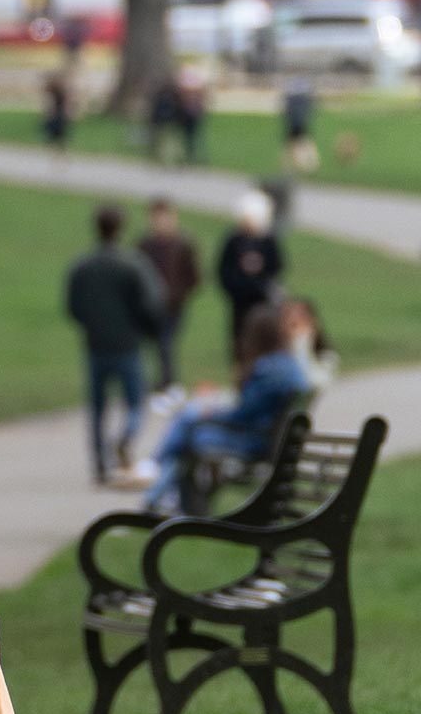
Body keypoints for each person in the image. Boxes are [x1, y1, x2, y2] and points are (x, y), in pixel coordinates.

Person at [142, 306, 312, 517]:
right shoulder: (287, 365)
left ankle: (157, 484)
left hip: (254, 441)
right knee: (190, 423)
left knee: (190, 426)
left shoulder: (269, 368)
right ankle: (161, 493)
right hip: (265, 437)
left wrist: (211, 414)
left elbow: (242, 414)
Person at [65, 204, 163, 484]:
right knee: (135, 403)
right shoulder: (133, 264)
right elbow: (150, 304)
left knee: (98, 408)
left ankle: (99, 464)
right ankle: (125, 438)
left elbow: (73, 306)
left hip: (95, 345)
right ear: (120, 228)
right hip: (128, 345)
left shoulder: (83, 267)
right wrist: (148, 331)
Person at [135, 197, 199, 400]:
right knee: (147, 345)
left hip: (173, 306)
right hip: (148, 305)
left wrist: (179, 295)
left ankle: (167, 383)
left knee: (166, 344)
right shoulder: (144, 245)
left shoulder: (183, 244)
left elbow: (193, 276)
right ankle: (147, 383)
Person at [218, 189, 284, 363]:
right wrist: (236, 288)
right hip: (240, 302)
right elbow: (224, 271)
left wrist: (262, 287)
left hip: (262, 301)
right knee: (240, 338)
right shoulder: (234, 242)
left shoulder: (267, 242)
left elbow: (276, 268)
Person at [280, 296, 339, 393]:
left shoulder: (327, 359)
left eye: (301, 318)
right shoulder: (275, 360)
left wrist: (301, 341)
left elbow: (309, 379)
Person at [40, 70, 72, 151]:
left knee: (57, 131)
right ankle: (57, 148)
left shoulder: (58, 90)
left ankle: (57, 149)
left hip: (58, 113)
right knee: (57, 132)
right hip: (58, 113)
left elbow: (53, 103)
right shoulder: (56, 90)